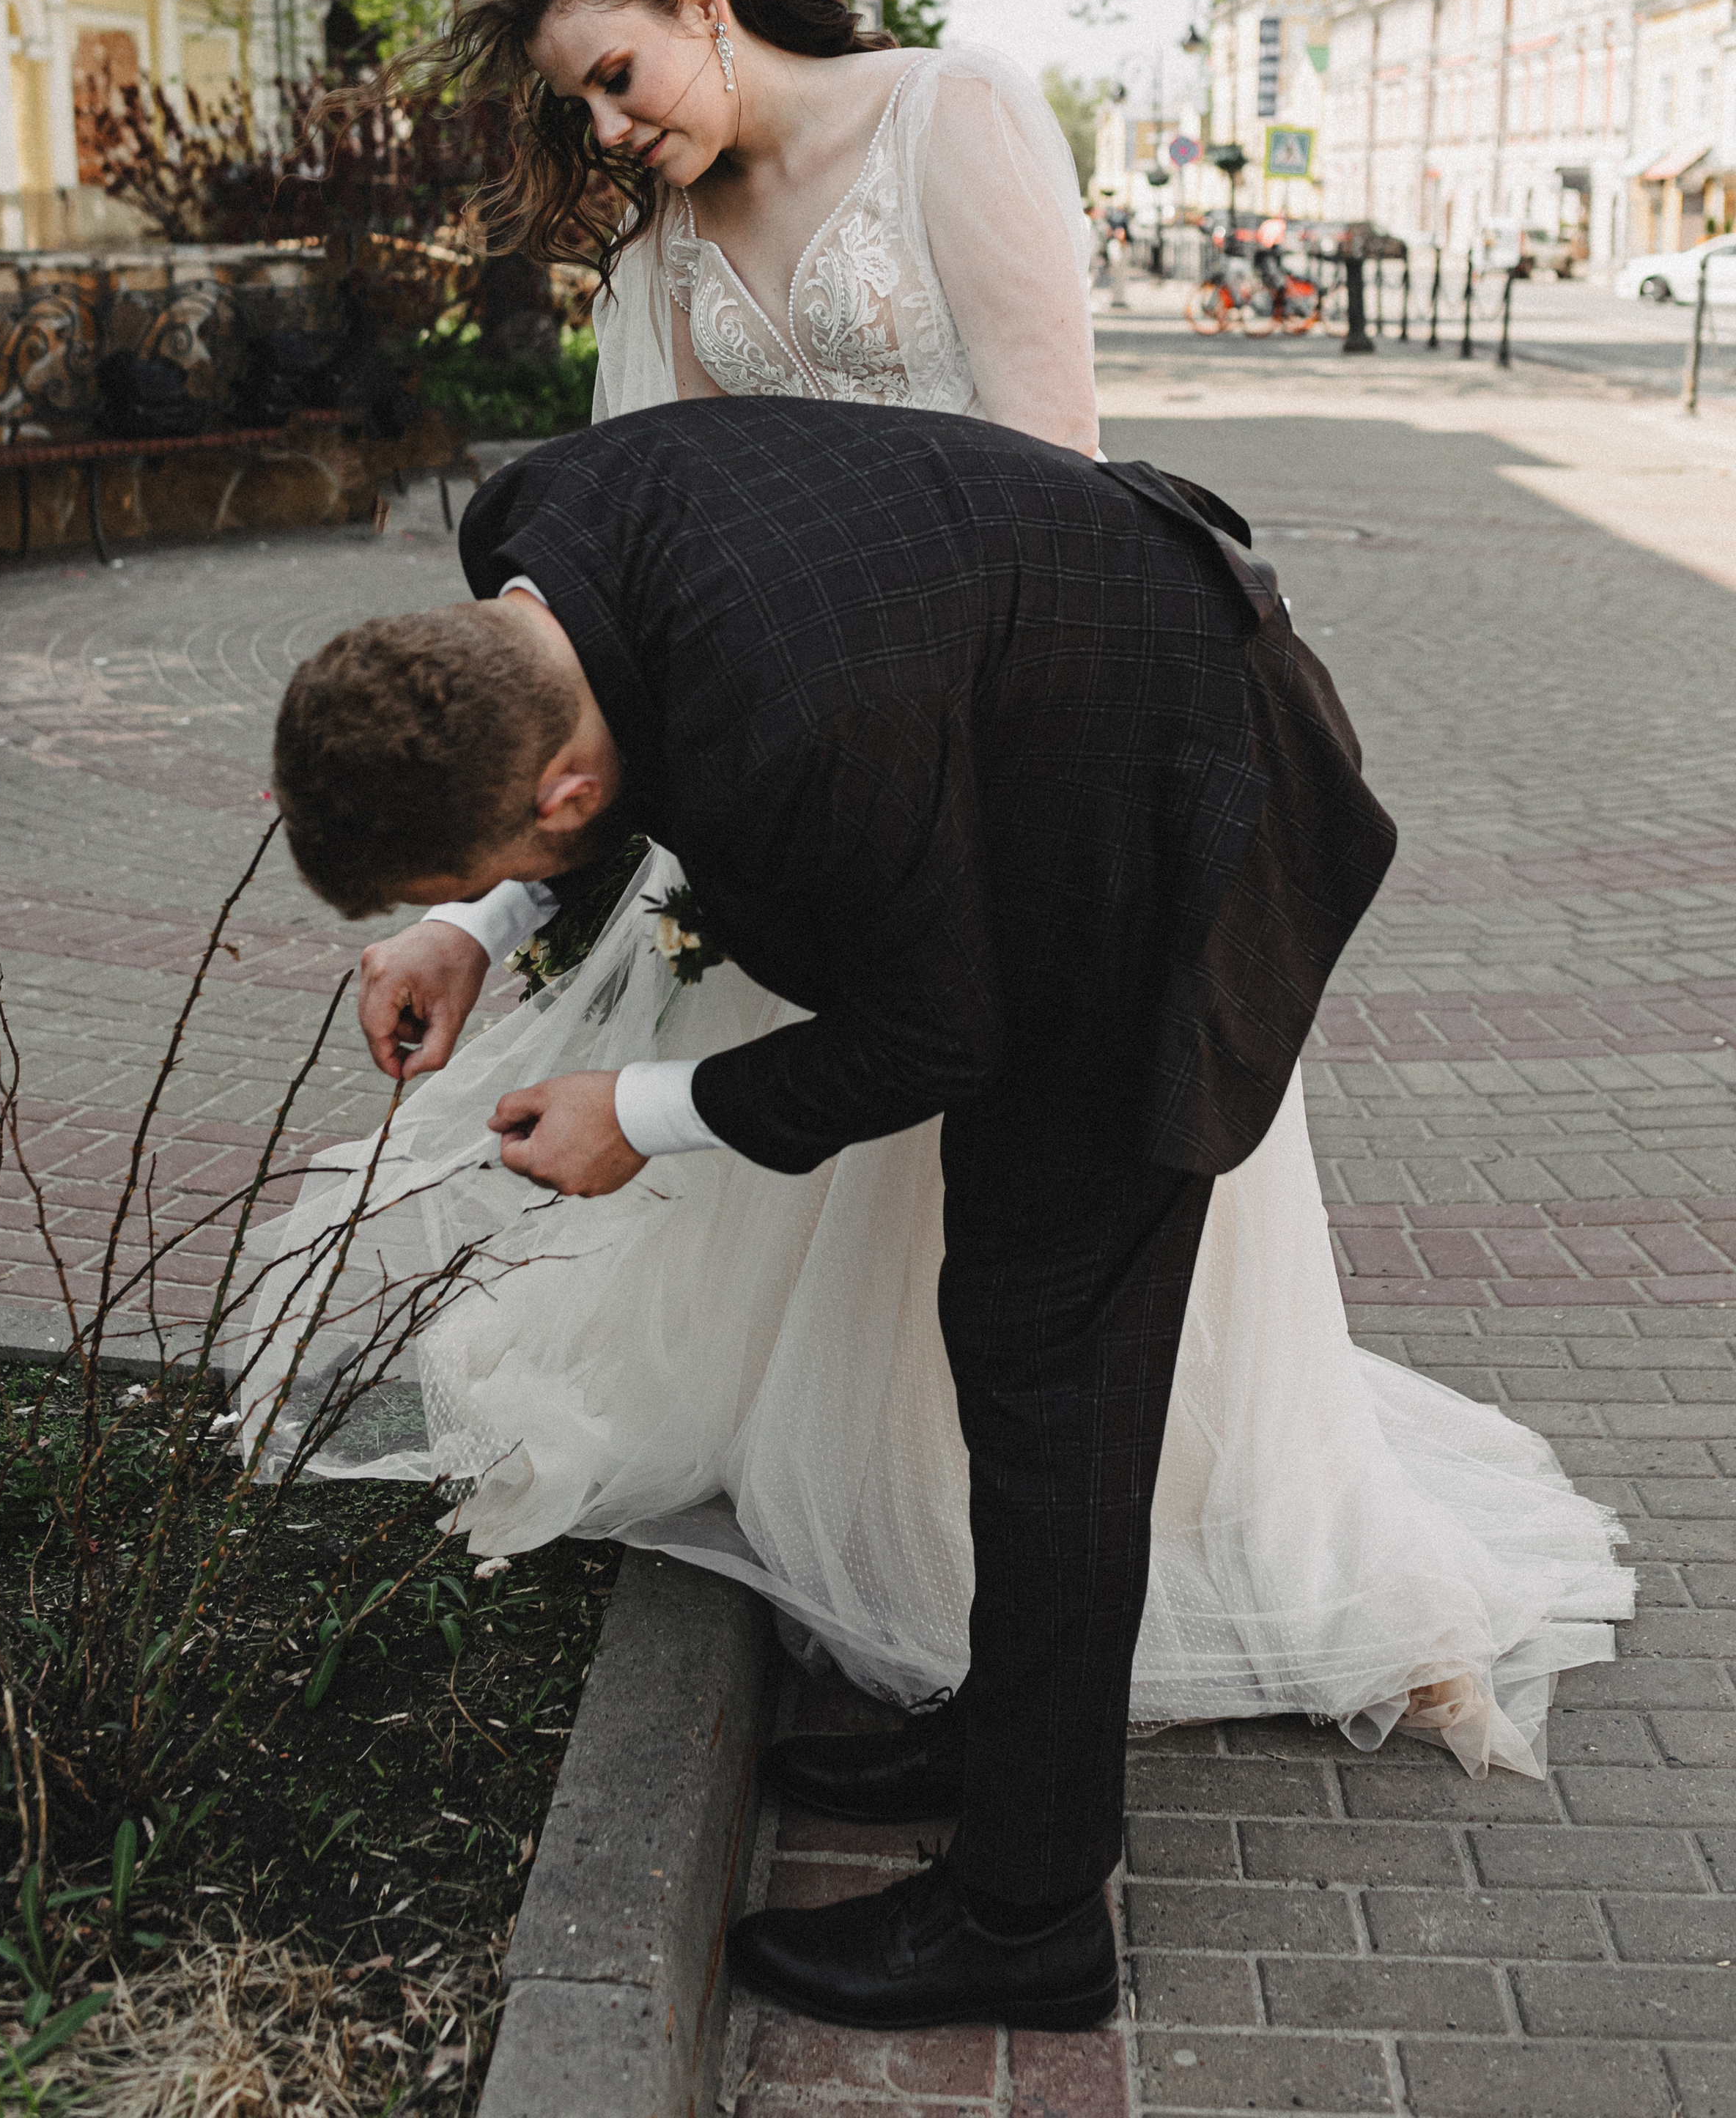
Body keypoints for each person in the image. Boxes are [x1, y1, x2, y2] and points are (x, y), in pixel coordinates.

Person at [243, 0, 1628, 1846]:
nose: (609, 129)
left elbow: (1043, 486)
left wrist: (788, 913)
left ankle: (1041, 1807)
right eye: (578, 110)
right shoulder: (652, 279)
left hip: (1048, 777)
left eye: (617, 74)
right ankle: (984, 1687)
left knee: (1044, 1287)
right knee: (948, 1292)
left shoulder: (946, 118)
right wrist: (485, 910)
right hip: (800, 775)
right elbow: (574, 691)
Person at [268, 397, 1400, 2026]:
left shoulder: (787, 722)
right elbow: (605, 761)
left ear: (564, 786)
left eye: (508, 847)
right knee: (997, 1319)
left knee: (1047, 1352)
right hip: (1026, 720)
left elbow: (937, 1034)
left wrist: (642, 1118)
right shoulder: (536, 535)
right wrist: (477, 914)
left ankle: (1029, 1917)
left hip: (1179, 808)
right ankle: (1015, 1738)